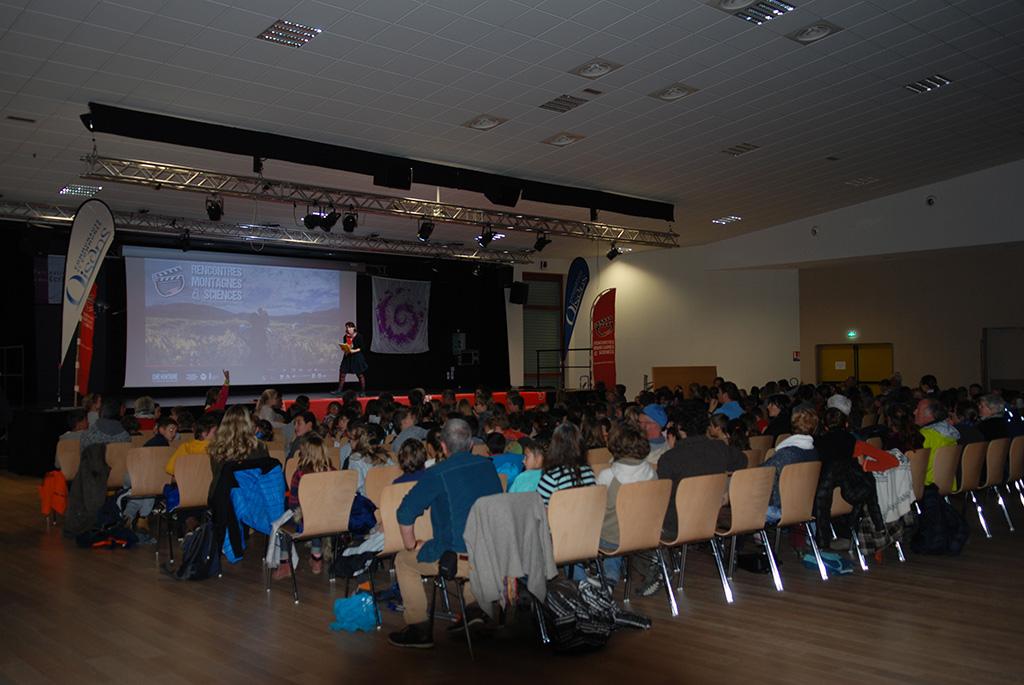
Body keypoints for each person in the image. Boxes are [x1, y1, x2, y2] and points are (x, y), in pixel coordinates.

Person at [389, 418, 502, 649]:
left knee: (403, 561)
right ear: (471, 444)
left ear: (443, 446)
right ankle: (474, 610)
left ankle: (418, 628)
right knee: (473, 549)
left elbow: (405, 513)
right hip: (492, 555)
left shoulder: (438, 473)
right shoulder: (488, 465)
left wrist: (411, 545)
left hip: (459, 557)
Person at [590, 422, 657, 589]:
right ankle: (611, 575)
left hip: (613, 538)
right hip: (644, 534)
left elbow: (594, 507)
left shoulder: (608, 475)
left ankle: (606, 578)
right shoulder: (651, 472)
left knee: (607, 530)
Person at [275, 434, 335, 579]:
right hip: (331, 519)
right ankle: (316, 559)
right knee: (316, 517)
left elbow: (293, 504)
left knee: (282, 528)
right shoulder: (333, 472)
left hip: (306, 520)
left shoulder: (300, 474)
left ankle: (285, 564)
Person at [763, 405, 821, 523]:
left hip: (780, 507)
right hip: (804, 505)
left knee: (742, 503)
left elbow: (762, 474)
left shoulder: (787, 454)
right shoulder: (813, 451)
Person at [536, 422, 596, 506]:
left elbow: (538, 509)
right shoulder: (589, 472)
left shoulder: (551, 478)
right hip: (587, 518)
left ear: (554, 446)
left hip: (558, 519)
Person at [915, 398, 959, 485]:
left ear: (930, 415)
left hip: (928, 485)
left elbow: (916, 466)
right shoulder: (950, 433)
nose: (914, 412)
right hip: (949, 483)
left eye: (918, 409)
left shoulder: (923, 436)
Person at [333, 321, 368, 395]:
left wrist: (354, 351)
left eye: (349, 327)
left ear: (354, 328)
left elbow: (362, 348)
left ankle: (363, 391)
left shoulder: (359, 336)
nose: (348, 329)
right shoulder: (346, 337)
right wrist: (346, 346)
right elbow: (348, 346)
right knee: (342, 372)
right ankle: (339, 390)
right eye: (347, 328)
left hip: (357, 357)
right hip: (348, 356)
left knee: (360, 375)